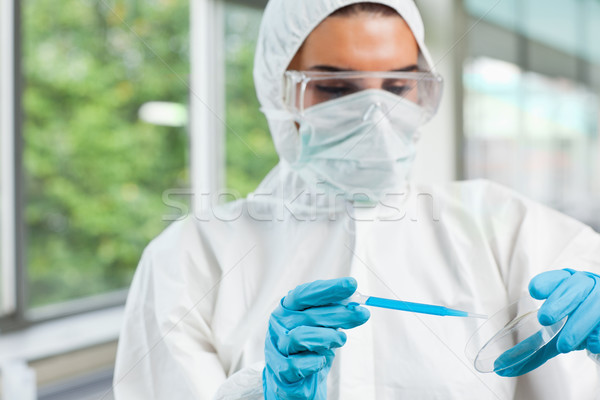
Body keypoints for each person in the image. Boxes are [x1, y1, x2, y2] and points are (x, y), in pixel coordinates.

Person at [113, 1, 600, 399]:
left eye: (397, 86)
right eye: (335, 87)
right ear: (277, 92)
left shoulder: (506, 226)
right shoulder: (188, 258)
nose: (376, 114)